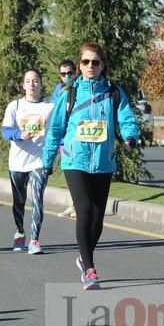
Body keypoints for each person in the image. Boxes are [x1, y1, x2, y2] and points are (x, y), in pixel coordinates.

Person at [43, 43, 139, 290]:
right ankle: (89, 268)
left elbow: (126, 118)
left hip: (104, 162)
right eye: (85, 62)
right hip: (76, 160)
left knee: (97, 219)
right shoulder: (70, 94)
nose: (90, 66)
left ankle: (83, 257)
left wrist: (129, 136)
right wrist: (47, 161)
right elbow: (55, 129)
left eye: (95, 62)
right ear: (79, 65)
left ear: (102, 65)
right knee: (84, 210)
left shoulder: (114, 93)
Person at [1, 69, 55, 254]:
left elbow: (56, 132)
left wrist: (58, 151)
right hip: (17, 162)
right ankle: (20, 232)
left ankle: (35, 240)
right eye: (28, 81)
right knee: (19, 200)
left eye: (35, 81)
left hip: (39, 160)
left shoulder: (50, 107)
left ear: (40, 84)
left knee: (37, 196)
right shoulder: (14, 106)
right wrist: (19, 135)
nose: (32, 84)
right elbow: (5, 131)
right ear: (23, 85)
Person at [51, 60, 77, 218]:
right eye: (63, 74)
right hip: (63, 139)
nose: (67, 76)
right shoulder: (58, 90)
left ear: (75, 72)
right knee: (69, 173)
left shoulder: (79, 88)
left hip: (77, 138)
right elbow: (55, 112)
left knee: (77, 172)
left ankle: (79, 206)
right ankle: (75, 204)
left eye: (69, 73)